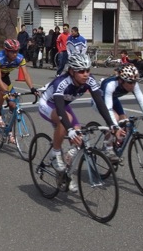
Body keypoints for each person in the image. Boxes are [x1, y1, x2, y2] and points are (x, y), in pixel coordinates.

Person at [38, 53, 124, 192]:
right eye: (81, 71)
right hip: (49, 104)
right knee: (68, 122)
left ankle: (66, 174)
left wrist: (112, 124)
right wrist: (69, 129)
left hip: (64, 106)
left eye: (88, 70)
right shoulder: (61, 82)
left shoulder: (90, 80)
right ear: (71, 71)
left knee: (78, 142)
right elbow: (60, 109)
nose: (86, 74)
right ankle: (55, 153)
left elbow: (100, 104)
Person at [98, 64, 143, 159]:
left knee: (126, 122)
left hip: (113, 99)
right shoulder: (110, 85)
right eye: (130, 83)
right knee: (115, 119)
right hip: (100, 101)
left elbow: (141, 101)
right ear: (121, 81)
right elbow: (108, 109)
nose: (133, 85)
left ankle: (116, 146)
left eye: (135, 82)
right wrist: (115, 127)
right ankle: (107, 147)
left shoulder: (133, 84)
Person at [0, 39, 39, 127]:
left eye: (16, 51)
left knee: (13, 104)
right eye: (12, 52)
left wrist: (32, 88)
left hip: (6, 78)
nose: (15, 54)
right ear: (6, 51)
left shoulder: (20, 58)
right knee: (3, 91)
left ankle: (9, 129)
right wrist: (6, 92)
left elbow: (26, 75)